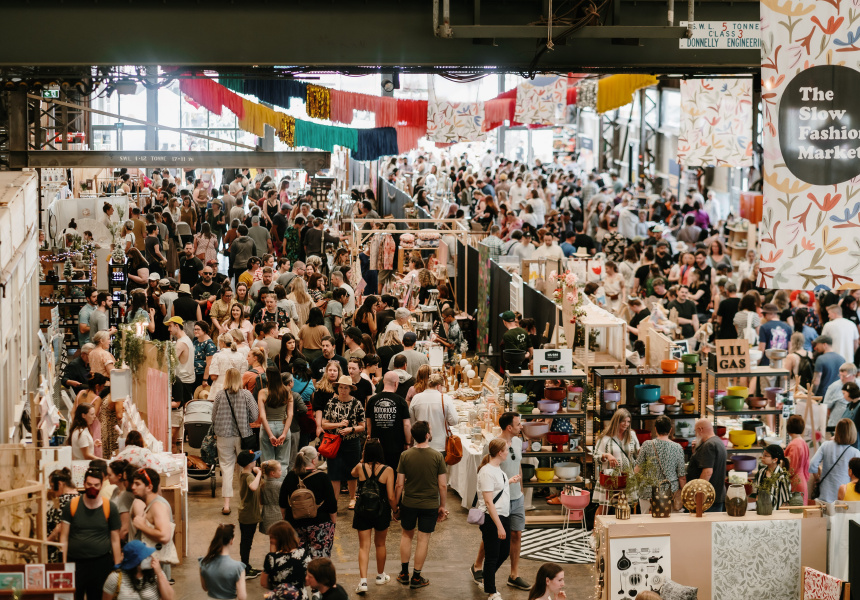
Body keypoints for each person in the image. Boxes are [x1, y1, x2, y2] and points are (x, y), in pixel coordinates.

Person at [470, 412, 529, 591]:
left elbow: (518, 465)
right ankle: (477, 565)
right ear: (509, 427)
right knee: (492, 536)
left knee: (516, 534)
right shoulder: (493, 445)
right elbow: (485, 468)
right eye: (518, 424)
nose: (521, 427)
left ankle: (514, 575)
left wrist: (521, 489)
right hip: (499, 500)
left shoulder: (517, 442)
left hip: (516, 497)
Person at [394, 420, 448, 589]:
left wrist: (395, 506)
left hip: (409, 502)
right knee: (423, 539)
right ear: (426, 435)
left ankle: (404, 574)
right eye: (430, 430)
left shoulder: (405, 455)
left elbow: (399, 484)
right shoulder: (437, 456)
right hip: (429, 504)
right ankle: (416, 578)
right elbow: (443, 485)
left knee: (406, 535)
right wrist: (442, 506)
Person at [59, 467, 122, 600]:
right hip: (75, 563)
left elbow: (115, 539)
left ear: (101, 485)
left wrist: (117, 567)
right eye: (89, 484)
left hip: (100, 563)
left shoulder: (110, 507)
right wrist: (63, 564)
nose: (92, 488)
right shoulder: (72, 505)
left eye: (96, 485)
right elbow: (63, 537)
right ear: (84, 484)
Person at [350, 439, 398, 594]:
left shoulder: (360, 467)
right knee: (380, 544)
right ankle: (380, 576)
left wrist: (362, 460)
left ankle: (363, 582)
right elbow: (391, 496)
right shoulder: (388, 470)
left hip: (363, 510)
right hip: (381, 511)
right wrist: (395, 510)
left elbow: (352, 473)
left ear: (365, 452)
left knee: (364, 546)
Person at [211, 368, 260, 515]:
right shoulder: (246, 394)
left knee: (226, 467)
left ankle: (226, 505)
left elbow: (213, 417)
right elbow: (255, 415)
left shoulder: (220, 395)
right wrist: (244, 419)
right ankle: (243, 500)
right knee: (244, 467)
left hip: (223, 435)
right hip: (243, 436)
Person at [278, 446, 338, 558]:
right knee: (320, 560)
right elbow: (331, 503)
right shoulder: (322, 477)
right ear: (313, 461)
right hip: (319, 524)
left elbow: (282, 501)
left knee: (298, 558)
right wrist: (333, 522)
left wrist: (286, 518)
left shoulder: (291, 476)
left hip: (295, 523)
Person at [322, 375, 366, 508]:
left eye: (346, 388)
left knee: (351, 471)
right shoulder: (331, 403)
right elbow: (324, 424)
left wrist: (350, 429)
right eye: (341, 387)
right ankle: (334, 501)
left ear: (350, 389)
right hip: (334, 442)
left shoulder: (357, 403)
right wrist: (339, 425)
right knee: (334, 472)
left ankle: (352, 498)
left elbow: (362, 426)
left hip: (352, 442)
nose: (343, 390)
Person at [635, 416, 686, 514]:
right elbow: (682, 477)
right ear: (670, 430)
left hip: (648, 493)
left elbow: (637, 470)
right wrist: (684, 493)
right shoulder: (677, 448)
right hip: (670, 493)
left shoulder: (646, 445)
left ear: (655, 429)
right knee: (670, 522)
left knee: (648, 521)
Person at [592, 409, 640, 514]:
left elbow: (638, 454)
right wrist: (607, 455)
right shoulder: (605, 437)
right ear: (616, 421)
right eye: (623, 421)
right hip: (610, 478)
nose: (626, 424)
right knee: (604, 508)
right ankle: (596, 525)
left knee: (625, 507)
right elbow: (596, 455)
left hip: (627, 477)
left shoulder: (632, 435)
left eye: (628, 421)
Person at [102, 540, 173, 600]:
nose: (151, 557)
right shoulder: (115, 577)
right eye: (145, 556)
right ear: (135, 562)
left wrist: (159, 573)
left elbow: (169, 598)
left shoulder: (156, 574)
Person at [408, 373, 458, 456]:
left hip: (420, 443)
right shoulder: (445, 398)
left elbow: (412, 422)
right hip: (440, 445)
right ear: (438, 386)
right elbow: (454, 421)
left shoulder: (416, 398)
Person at [687, 419, 728, 511]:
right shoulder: (717, 441)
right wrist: (696, 451)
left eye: (695, 431)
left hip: (708, 498)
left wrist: (699, 494)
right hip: (716, 495)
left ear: (700, 429)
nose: (695, 434)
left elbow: (707, 472)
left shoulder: (709, 445)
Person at [258, 367, 294, 472]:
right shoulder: (287, 392)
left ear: (268, 378)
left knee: (268, 462)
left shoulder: (263, 392)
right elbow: (290, 414)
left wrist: (270, 435)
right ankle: (281, 481)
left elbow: (262, 416)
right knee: (283, 462)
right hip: (283, 425)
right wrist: (284, 433)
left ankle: (269, 482)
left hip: (267, 427)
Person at [199, 524, 248, 600]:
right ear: (231, 541)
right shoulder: (238, 567)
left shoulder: (204, 562)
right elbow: (242, 597)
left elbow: (205, 588)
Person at [235, 449, 263, 579]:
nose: (256, 461)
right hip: (249, 515)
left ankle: (246, 565)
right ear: (250, 463)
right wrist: (259, 474)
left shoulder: (244, 473)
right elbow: (253, 487)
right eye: (254, 460)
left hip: (245, 513)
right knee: (246, 542)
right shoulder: (249, 477)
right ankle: (245, 569)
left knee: (246, 542)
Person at [261, 520, 311, 591]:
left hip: (278, 594)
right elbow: (308, 581)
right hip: (299, 594)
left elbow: (263, 583)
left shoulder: (271, 558)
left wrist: (275, 588)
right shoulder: (303, 553)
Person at [47, 468, 79, 563]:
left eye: (52, 486)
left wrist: (47, 541)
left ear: (59, 484)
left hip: (60, 553)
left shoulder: (63, 502)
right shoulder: (81, 498)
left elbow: (59, 528)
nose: (52, 490)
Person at [753, 444, 792, 510]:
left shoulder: (782, 475)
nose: (762, 457)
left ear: (775, 459)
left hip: (776, 511)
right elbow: (758, 492)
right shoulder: (761, 472)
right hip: (762, 510)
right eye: (763, 454)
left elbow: (786, 501)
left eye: (766, 455)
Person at [785, 415, 811, 504]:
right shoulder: (803, 442)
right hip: (802, 478)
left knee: (795, 509)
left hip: (795, 481)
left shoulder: (794, 444)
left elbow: (792, 469)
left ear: (788, 428)